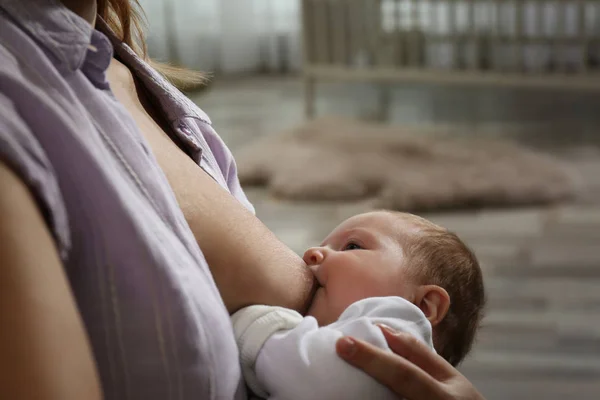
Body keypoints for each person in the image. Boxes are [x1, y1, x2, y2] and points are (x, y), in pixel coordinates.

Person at [0, 0, 485, 399]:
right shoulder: (20, 108)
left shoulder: (395, 325)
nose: (316, 254)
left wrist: (259, 329)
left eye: (354, 248)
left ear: (428, 305)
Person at [231, 211, 485, 399]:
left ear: (426, 306)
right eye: (322, 246)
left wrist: (251, 323)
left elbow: (327, 377)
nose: (311, 253)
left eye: (352, 246)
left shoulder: (401, 328)